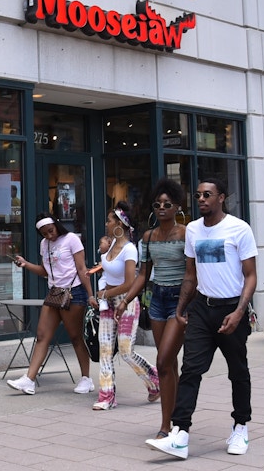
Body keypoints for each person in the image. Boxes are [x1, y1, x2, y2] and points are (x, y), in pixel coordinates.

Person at [146, 178, 257, 460]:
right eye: (198, 195)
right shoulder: (194, 230)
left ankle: (240, 426)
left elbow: (251, 276)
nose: (202, 199)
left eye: (208, 195)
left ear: (221, 197)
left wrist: (239, 311)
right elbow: (190, 275)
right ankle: (180, 433)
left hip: (231, 309)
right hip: (201, 310)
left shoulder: (239, 228)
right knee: (191, 370)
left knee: (238, 371)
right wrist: (181, 309)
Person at [117, 178, 186, 439]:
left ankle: (167, 425)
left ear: (177, 207)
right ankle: (173, 418)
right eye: (157, 204)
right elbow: (143, 275)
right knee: (168, 363)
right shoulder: (147, 237)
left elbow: (193, 272)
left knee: (163, 360)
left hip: (180, 300)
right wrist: (125, 301)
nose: (162, 208)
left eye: (167, 204)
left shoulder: (186, 234)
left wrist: (188, 304)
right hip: (157, 299)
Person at [8, 215, 97, 395]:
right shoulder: (44, 244)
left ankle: (86, 379)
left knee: (75, 337)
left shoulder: (71, 239)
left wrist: (90, 295)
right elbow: (45, 271)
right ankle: (29, 380)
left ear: (56, 225)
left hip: (74, 292)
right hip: (54, 293)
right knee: (41, 336)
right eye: (44, 233)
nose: (49, 236)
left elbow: (82, 269)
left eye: (51, 231)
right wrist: (26, 264)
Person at [92, 202, 160, 410]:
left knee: (125, 350)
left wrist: (107, 293)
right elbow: (107, 271)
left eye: (110, 220)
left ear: (120, 224)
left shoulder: (129, 249)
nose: (106, 223)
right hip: (107, 303)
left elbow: (131, 283)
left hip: (127, 302)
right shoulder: (110, 245)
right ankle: (107, 395)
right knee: (104, 349)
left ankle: (153, 378)